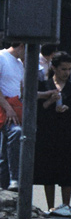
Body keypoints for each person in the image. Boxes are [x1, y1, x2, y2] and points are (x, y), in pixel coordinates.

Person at [34, 51, 71, 209]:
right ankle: (50, 207)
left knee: (66, 171)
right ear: (54, 68)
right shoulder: (44, 86)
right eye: (63, 69)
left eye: (69, 69)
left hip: (66, 134)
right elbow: (37, 112)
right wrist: (50, 102)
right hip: (47, 134)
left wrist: (68, 109)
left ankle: (65, 206)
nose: (67, 73)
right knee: (48, 172)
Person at [0, 41, 25, 190]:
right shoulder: (1, 57)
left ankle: (9, 181)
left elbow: (21, 89)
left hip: (14, 109)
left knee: (6, 149)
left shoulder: (19, 64)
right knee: (15, 134)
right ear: (21, 45)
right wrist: (8, 108)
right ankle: (13, 178)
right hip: (5, 109)